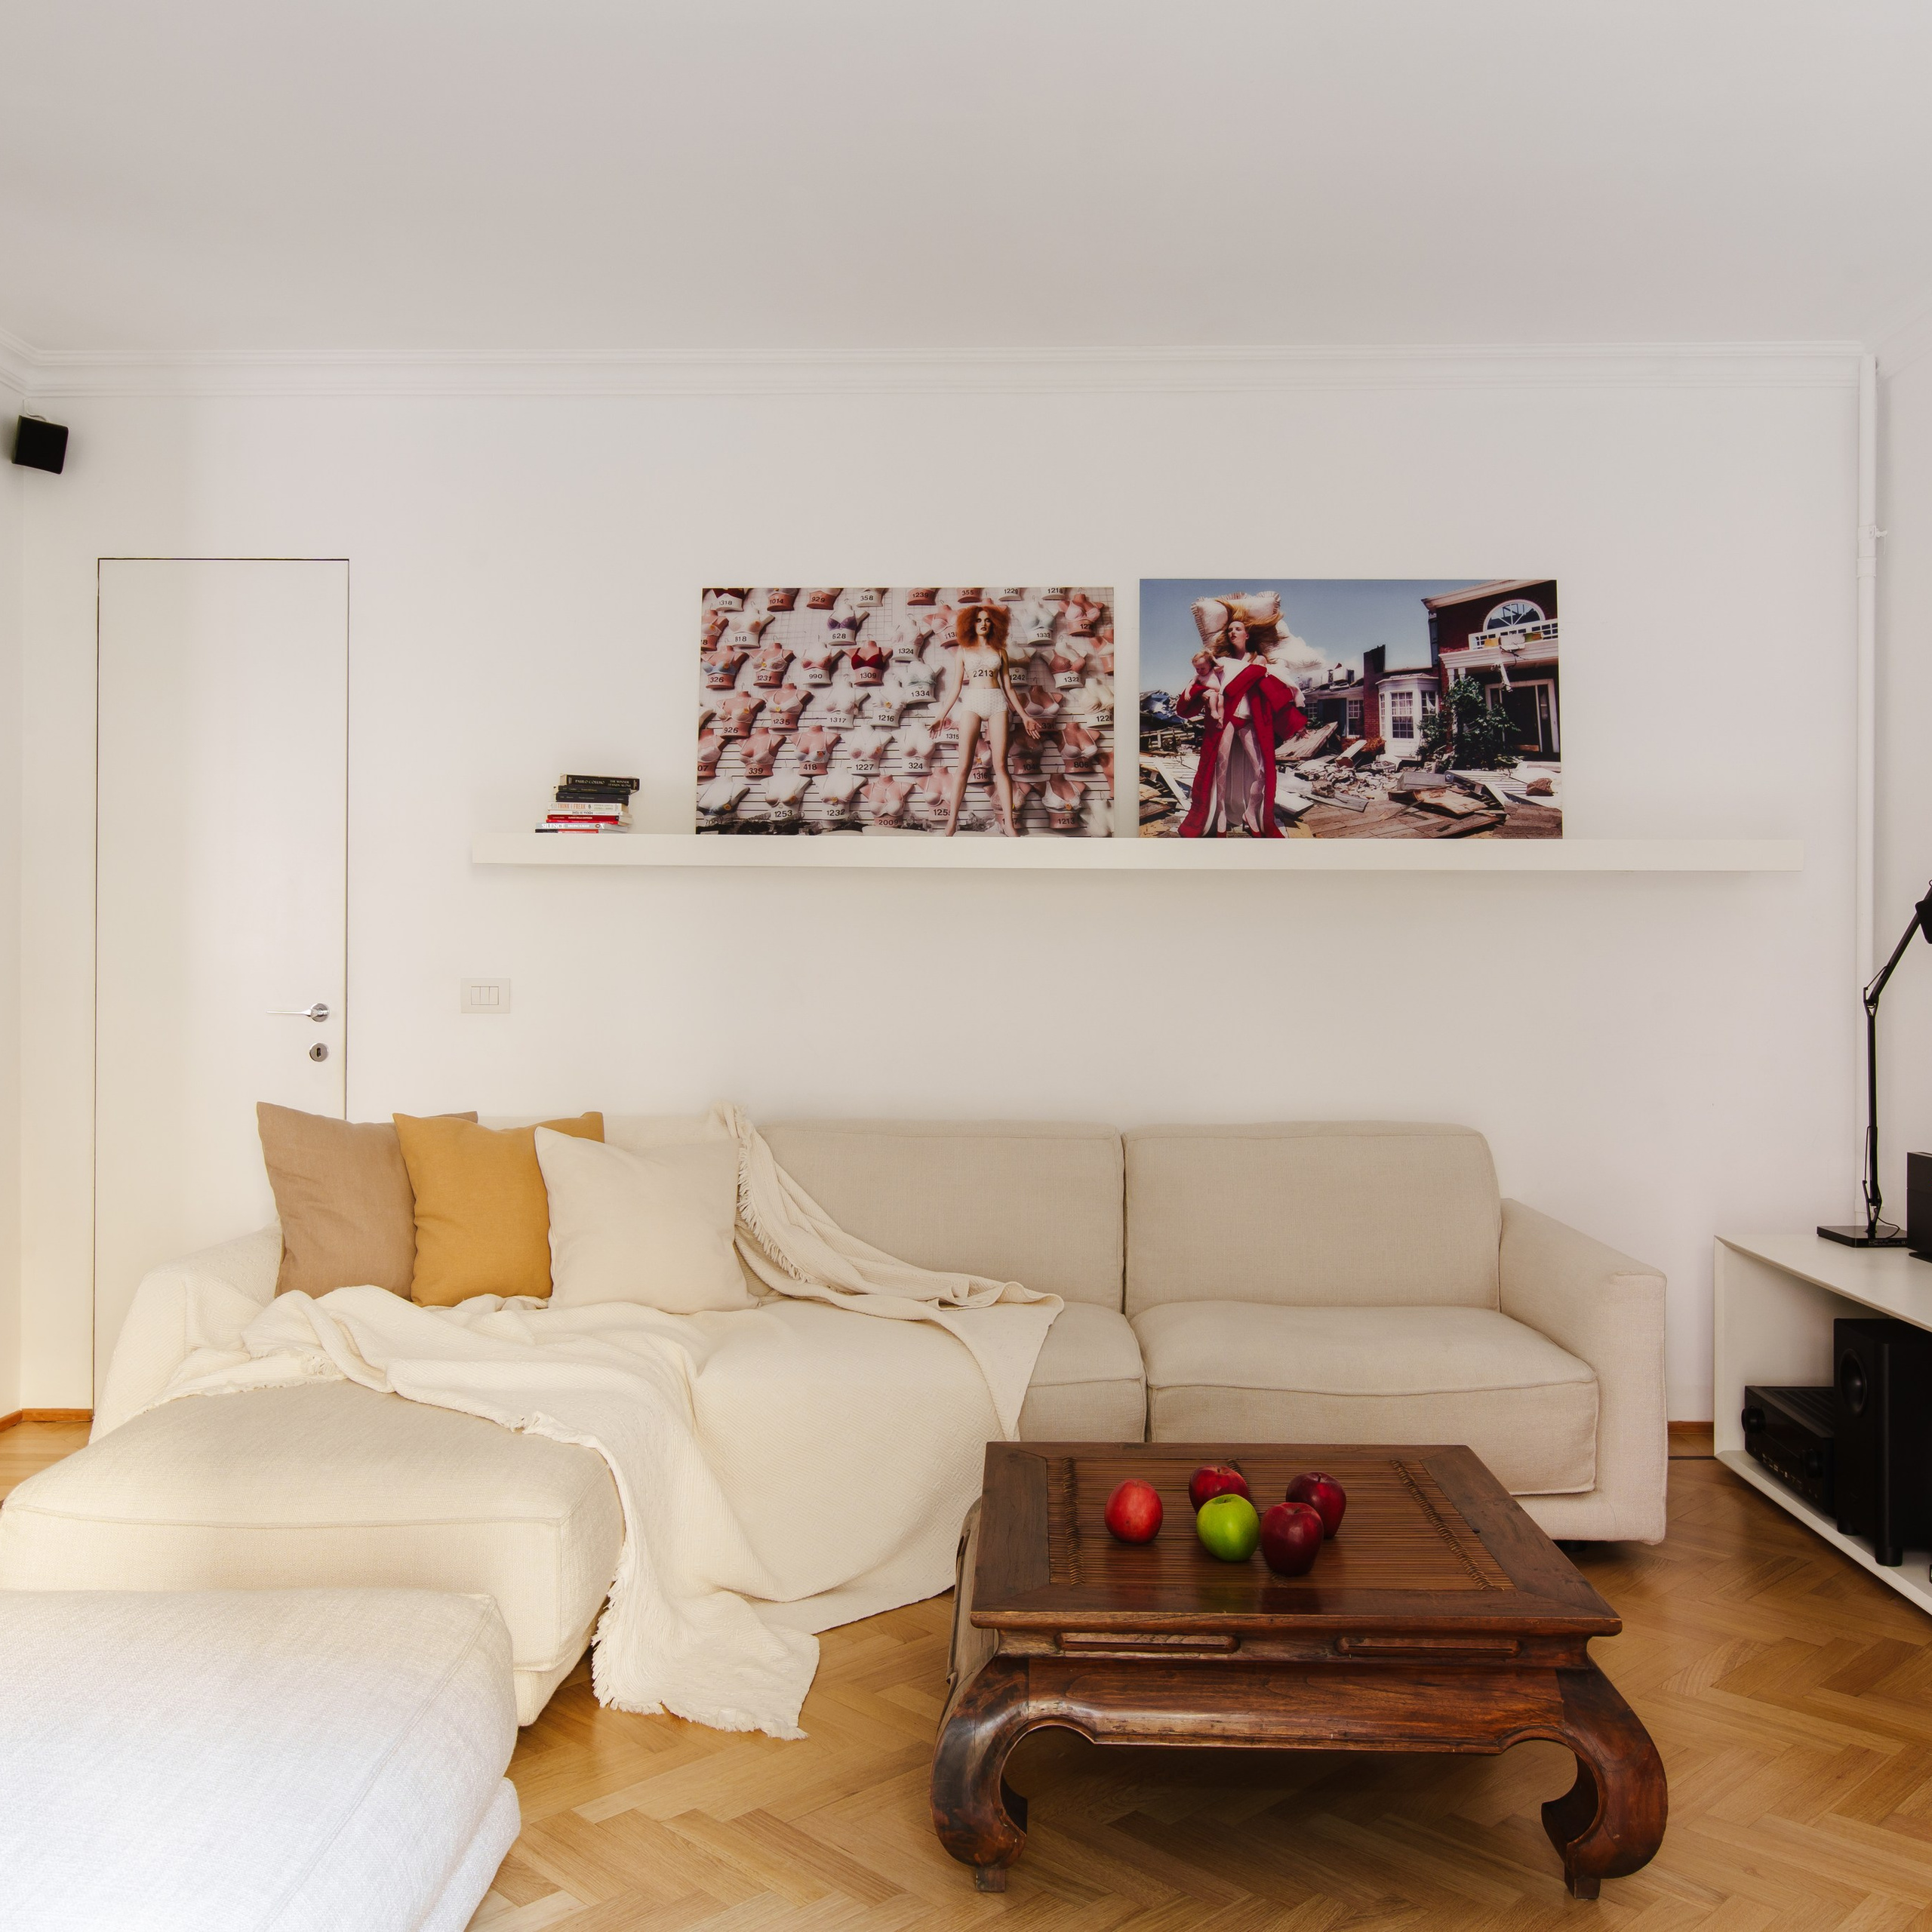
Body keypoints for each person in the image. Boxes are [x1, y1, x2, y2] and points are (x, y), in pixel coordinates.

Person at [1174, 617, 1308, 837]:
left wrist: (1296, 722)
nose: (1233, 633)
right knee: (1221, 771)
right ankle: (1222, 815)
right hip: (1225, 720)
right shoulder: (1221, 662)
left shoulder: (1260, 661)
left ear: (1247, 635)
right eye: (1230, 630)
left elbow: (1274, 694)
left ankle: (1251, 813)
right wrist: (1205, 693)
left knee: (1261, 771)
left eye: (1238, 629)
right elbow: (1199, 684)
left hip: (1249, 720)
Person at [928, 604, 1040, 835]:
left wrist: (1026, 716)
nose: (984, 624)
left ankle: (1008, 823)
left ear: (994, 625)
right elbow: (955, 688)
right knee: (963, 767)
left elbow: (1009, 688)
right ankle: (951, 823)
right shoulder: (963, 651)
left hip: (997, 703)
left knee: (1001, 766)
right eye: (979, 620)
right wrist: (941, 715)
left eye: (988, 621)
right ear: (971, 624)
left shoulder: (1000, 652)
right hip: (973, 703)